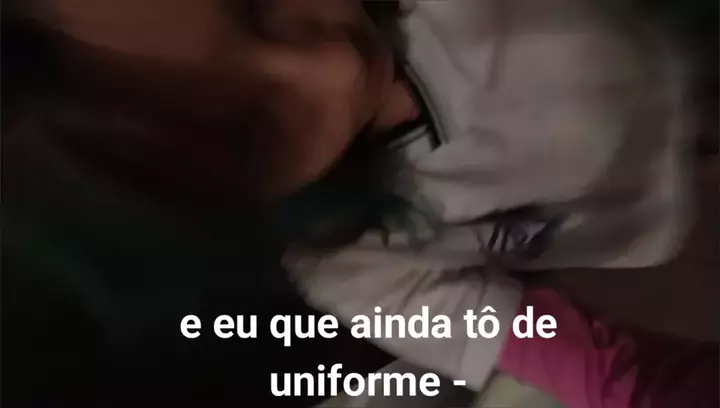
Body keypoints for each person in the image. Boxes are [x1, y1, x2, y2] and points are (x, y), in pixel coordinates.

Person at [2, 1, 716, 407]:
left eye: (259, 2)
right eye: (256, 133)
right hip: (670, 187)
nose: (335, 65)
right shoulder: (349, 268)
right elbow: (583, 360)